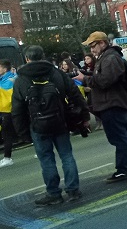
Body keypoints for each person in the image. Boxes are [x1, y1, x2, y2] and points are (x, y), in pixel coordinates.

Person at [12, 46, 89, 205]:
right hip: (60, 121)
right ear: (43, 56)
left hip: (37, 126)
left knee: (46, 160)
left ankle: (54, 193)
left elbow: (17, 109)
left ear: (27, 59)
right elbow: (74, 93)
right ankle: (73, 190)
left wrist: (23, 132)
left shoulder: (21, 79)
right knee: (67, 156)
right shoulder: (56, 73)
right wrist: (84, 115)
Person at [75, 32, 127, 183]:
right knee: (124, 136)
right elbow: (104, 77)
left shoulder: (110, 58)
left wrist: (85, 79)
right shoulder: (108, 57)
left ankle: (124, 169)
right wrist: (88, 76)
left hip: (112, 103)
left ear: (102, 43)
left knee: (119, 138)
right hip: (113, 102)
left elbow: (105, 81)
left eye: (93, 45)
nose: (92, 50)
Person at [0, 60, 17, 167]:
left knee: (7, 134)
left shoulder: (10, 80)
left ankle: (7, 158)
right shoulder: (6, 78)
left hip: (8, 111)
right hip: (5, 110)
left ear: (4, 69)